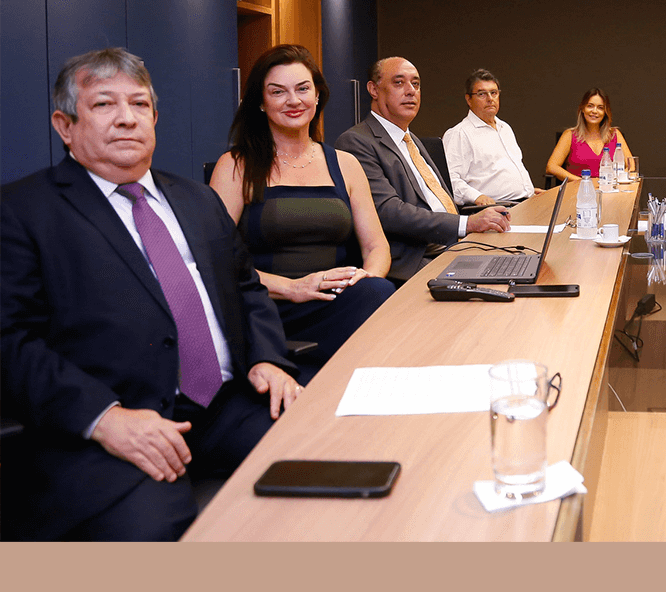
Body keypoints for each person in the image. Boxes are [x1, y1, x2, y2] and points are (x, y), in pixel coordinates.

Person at [1, 48, 300, 541]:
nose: (126, 118)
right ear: (64, 125)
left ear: (155, 118)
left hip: (227, 404)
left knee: (331, 468)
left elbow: (245, 287)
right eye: (103, 104)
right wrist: (104, 419)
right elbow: (10, 340)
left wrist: (268, 357)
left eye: (139, 104)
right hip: (116, 423)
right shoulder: (22, 211)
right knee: (157, 537)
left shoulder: (198, 199)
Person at [208, 45, 395, 378]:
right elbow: (214, 260)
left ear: (317, 95)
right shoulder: (236, 166)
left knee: (378, 293)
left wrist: (365, 277)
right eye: (277, 92)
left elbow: (376, 246)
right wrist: (292, 288)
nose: (293, 100)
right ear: (261, 102)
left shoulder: (346, 164)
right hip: (268, 308)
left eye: (302, 89)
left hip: (333, 302)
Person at [335, 57, 511, 284]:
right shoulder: (356, 142)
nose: (411, 91)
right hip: (414, 259)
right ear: (374, 89)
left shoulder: (411, 140)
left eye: (416, 84)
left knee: (519, 265)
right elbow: (388, 212)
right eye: (399, 83)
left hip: (453, 246)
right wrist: (466, 224)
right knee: (501, 287)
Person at [442, 68, 538, 208]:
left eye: (494, 93)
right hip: (494, 209)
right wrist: (477, 197)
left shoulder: (505, 128)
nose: (490, 99)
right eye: (482, 94)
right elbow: (450, 180)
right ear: (469, 99)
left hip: (524, 202)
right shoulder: (460, 133)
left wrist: (528, 190)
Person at [546, 87, 635, 183]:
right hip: (578, 189)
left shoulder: (615, 134)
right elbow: (551, 167)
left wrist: (617, 180)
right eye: (590, 106)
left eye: (600, 108)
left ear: (605, 112)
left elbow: (631, 166)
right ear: (582, 108)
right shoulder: (569, 135)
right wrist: (583, 182)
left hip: (609, 188)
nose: (594, 111)